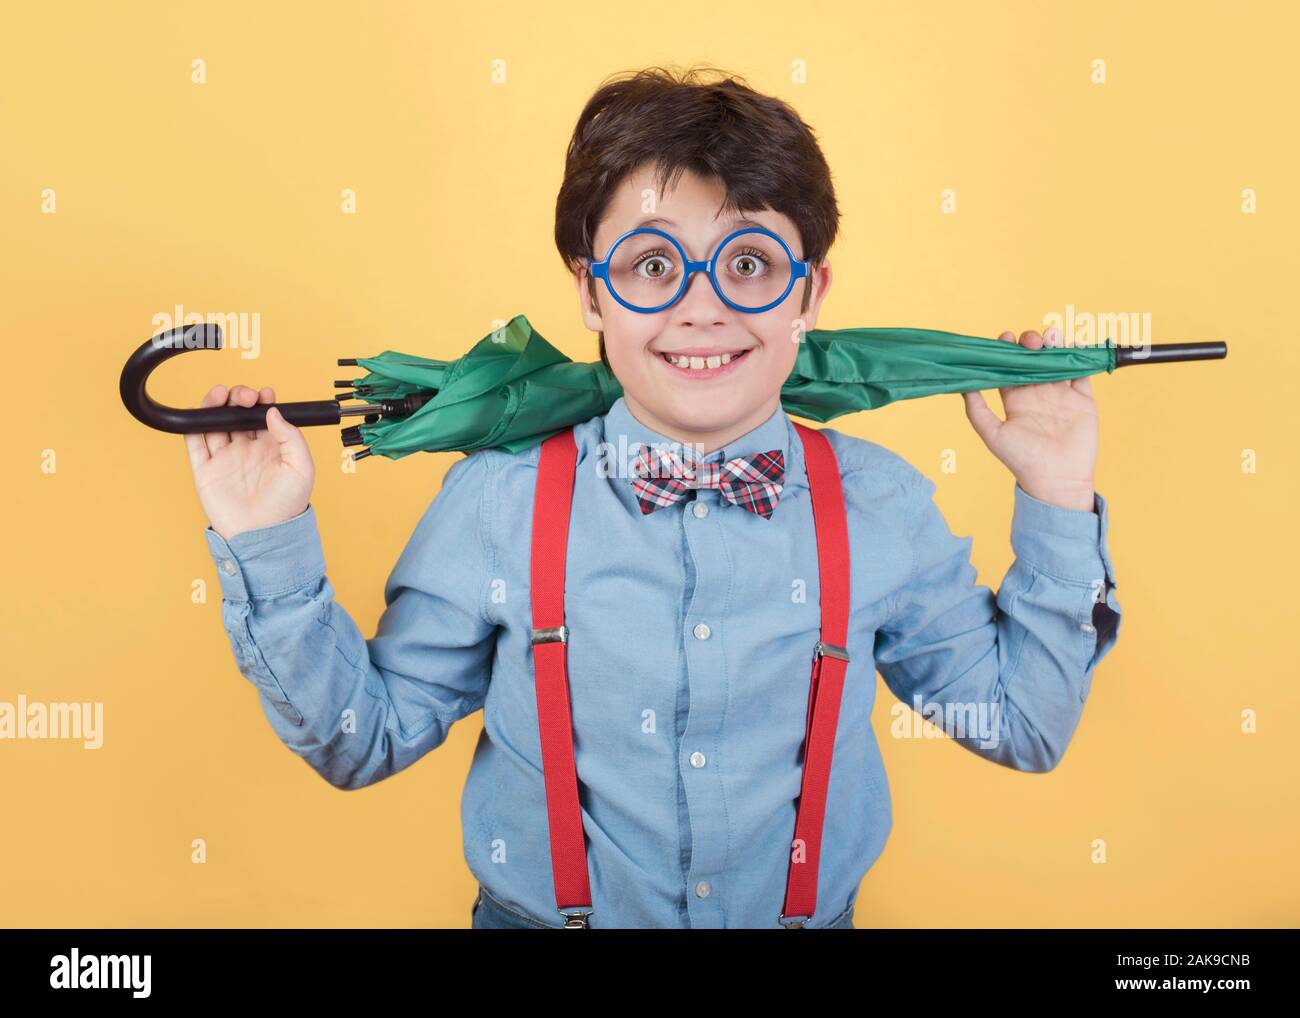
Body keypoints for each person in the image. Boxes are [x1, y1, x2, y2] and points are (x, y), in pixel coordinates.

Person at [185, 66, 1121, 929]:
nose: (701, 308)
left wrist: (1055, 495)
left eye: (749, 262)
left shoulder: (882, 507)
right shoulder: (496, 506)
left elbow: (1022, 727)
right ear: (592, 296)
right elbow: (365, 741)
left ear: (810, 292)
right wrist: (267, 544)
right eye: (651, 265)